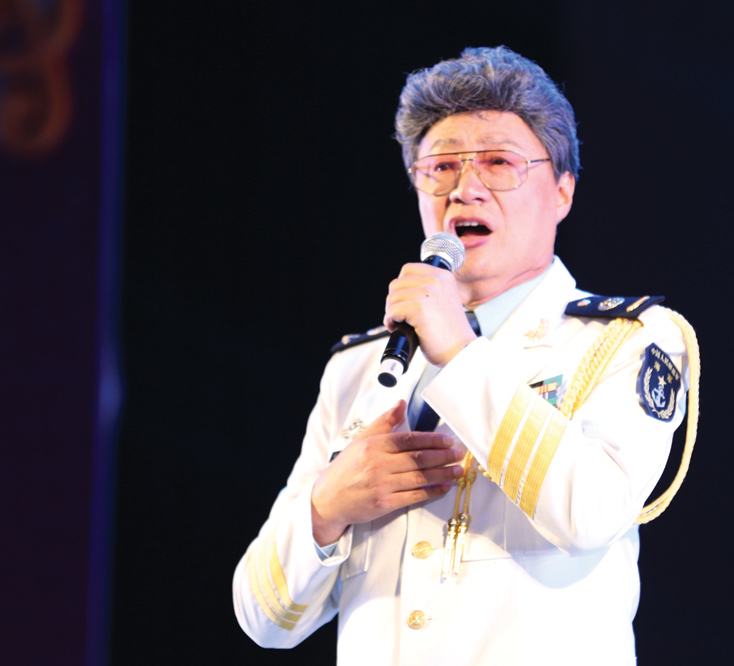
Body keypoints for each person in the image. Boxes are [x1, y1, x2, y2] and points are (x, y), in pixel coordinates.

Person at [233, 45, 696, 665]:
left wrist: (457, 349)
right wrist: (328, 506)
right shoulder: (358, 369)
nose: (465, 190)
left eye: (499, 163)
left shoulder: (629, 339)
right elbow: (263, 617)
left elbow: (590, 513)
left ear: (562, 192)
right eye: (441, 167)